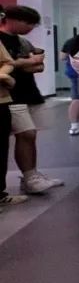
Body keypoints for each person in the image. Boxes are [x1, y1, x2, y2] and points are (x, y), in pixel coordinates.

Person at [0, 6, 64, 195]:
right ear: (11, 19)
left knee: (28, 135)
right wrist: (26, 62)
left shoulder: (22, 41)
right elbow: (13, 64)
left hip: (26, 92)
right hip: (8, 95)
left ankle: (31, 175)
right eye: (28, 23)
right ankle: (30, 178)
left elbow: (39, 65)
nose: (30, 27)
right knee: (27, 133)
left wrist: (25, 64)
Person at [0, 38, 29, 207]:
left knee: (1, 149)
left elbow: (8, 62)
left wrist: (2, 74)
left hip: (1, 100)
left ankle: (0, 195)